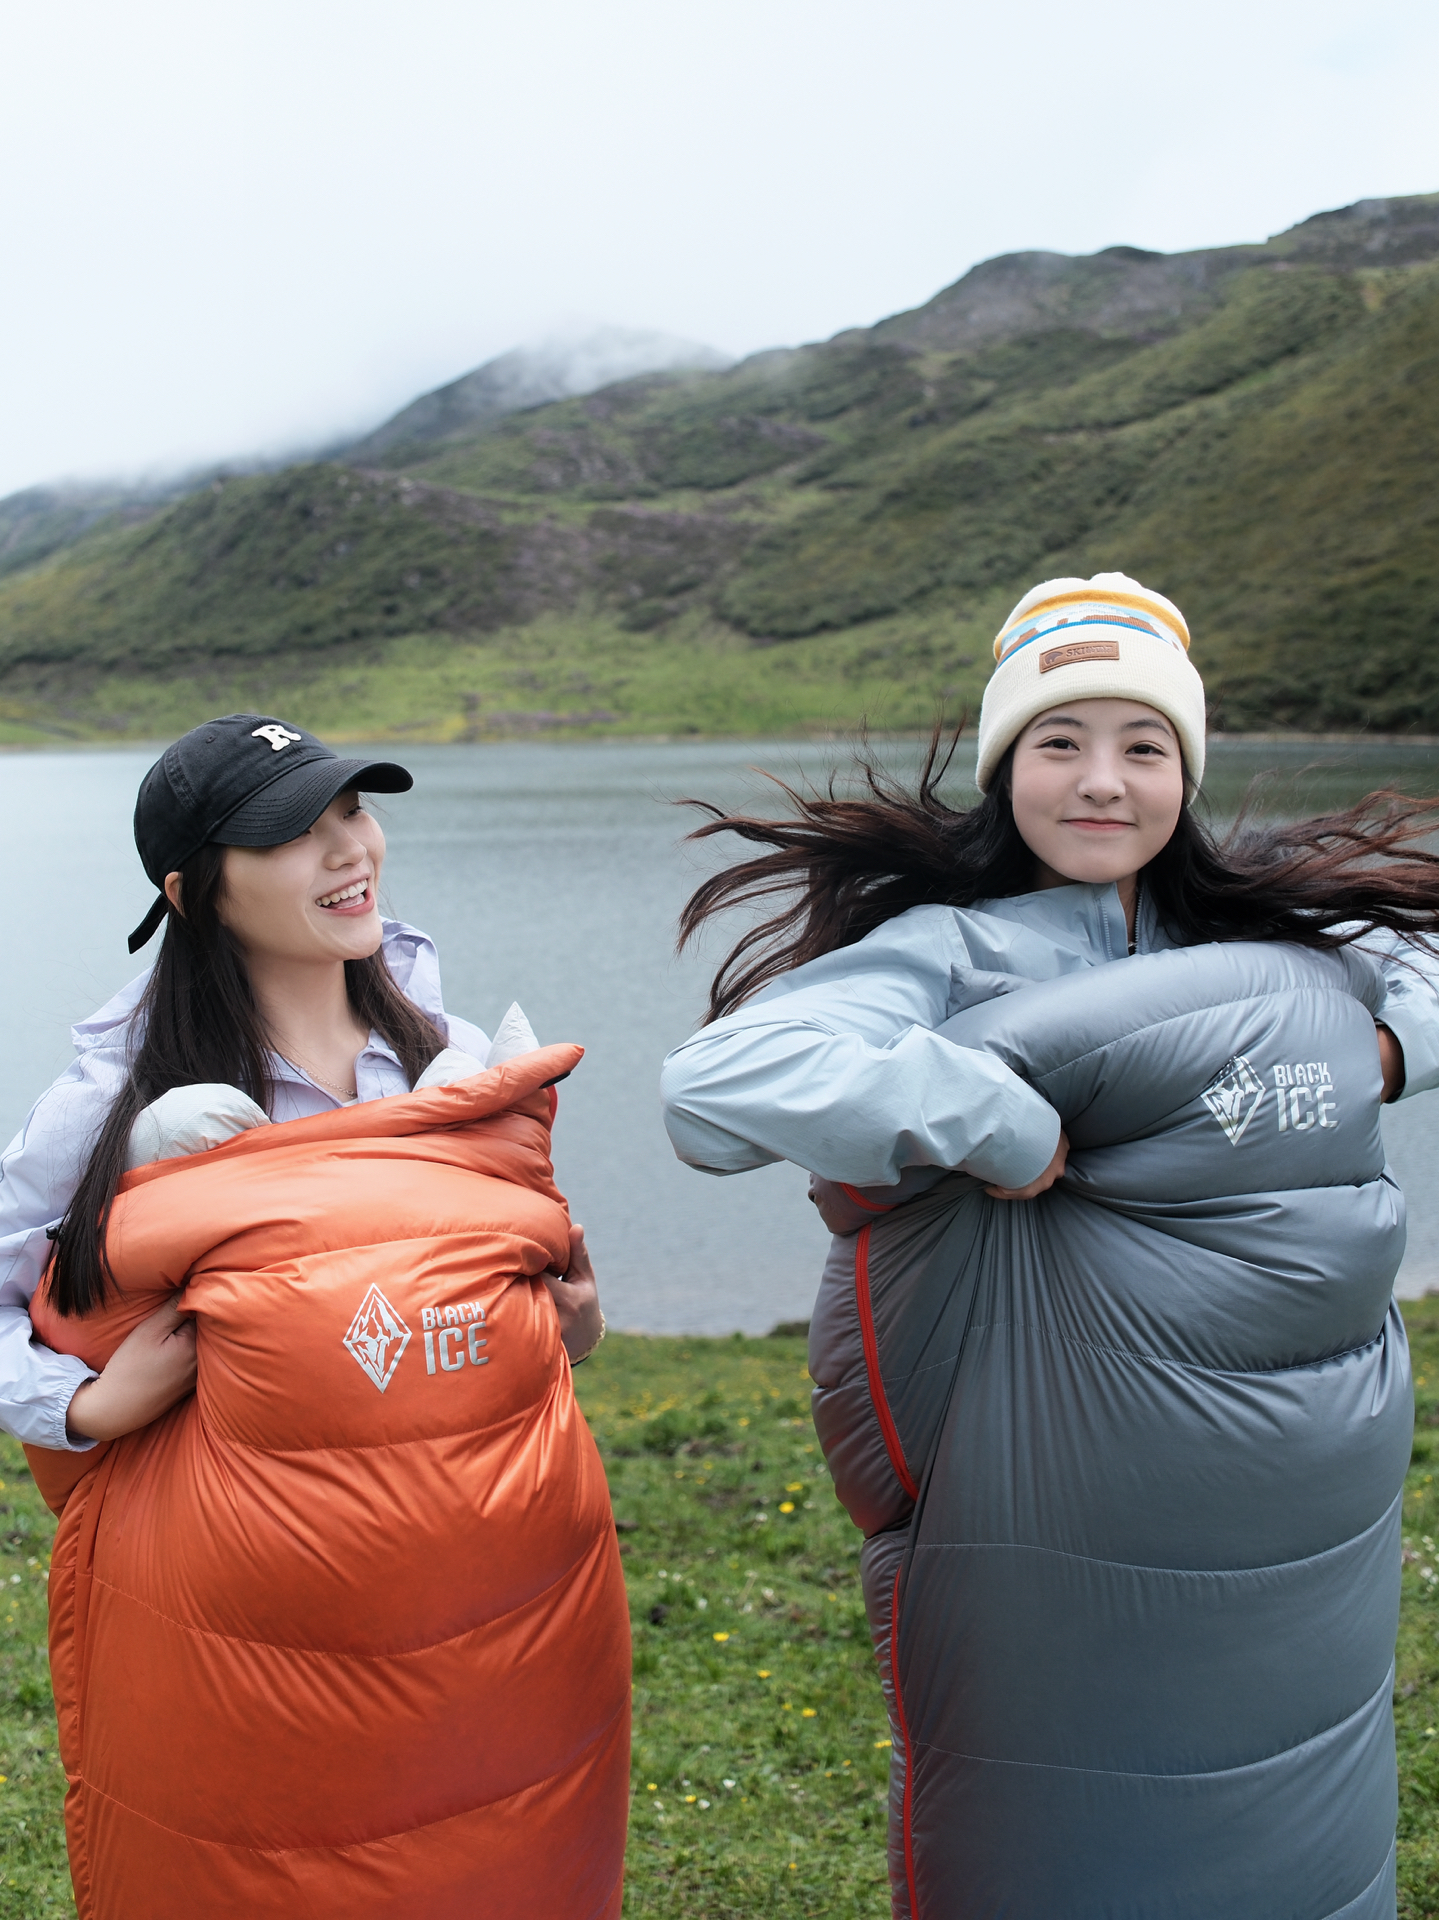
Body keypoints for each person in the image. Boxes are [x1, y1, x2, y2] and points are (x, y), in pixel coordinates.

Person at [661, 574, 1439, 1920]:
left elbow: (1415, 968)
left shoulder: (1250, 931)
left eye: (1143, 747)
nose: (1100, 782)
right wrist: (991, 1119)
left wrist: (1379, 1045)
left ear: (1184, 775)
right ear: (1001, 766)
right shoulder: (949, 954)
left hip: (1281, 1500)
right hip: (1060, 1509)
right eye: (1057, 742)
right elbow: (715, 1089)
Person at [5, 715, 629, 1919]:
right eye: (292, 832)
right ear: (192, 890)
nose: (350, 849)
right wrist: (82, 1404)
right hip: (238, 1647)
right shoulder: (113, 1100)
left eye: (353, 810)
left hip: (482, 1617)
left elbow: (495, 1286)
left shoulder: (446, 1061)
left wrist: (574, 1328)